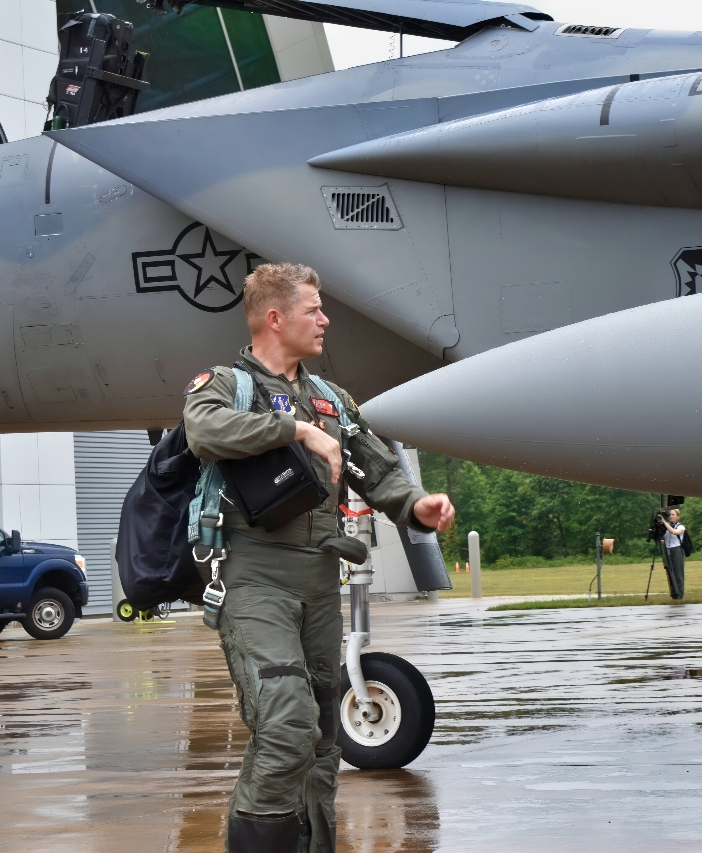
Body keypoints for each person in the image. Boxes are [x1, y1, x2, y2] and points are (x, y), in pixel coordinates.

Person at [182, 262, 455, 853]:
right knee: (287, 724)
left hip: (319, 582)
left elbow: (377, 469)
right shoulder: (226, 386)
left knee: (324, 739)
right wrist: (296, 431)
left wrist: (417, 505)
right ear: (275, 319)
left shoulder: (331, 398)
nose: (325, 319)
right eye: (313, 309)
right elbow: (205, 433)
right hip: (254, 579)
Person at [660, 508, 687, 600]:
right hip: (668, 550)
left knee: (678, 574)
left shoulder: (681, 527)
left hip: (676, 550)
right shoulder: (666, 527)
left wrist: (664, 522)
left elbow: (674, 532)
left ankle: (680, 595)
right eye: (670, 515)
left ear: (678, 517)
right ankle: (674, 594)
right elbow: (663, 539)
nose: (671, 516)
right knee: (670, 573)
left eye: (673, 515)